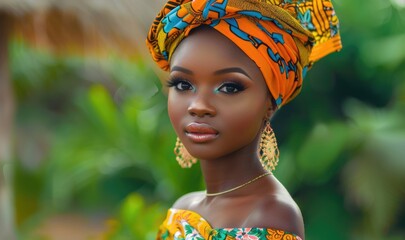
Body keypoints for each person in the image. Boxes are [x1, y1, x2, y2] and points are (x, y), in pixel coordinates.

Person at [146, 0, 341, 239]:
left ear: (270, 103)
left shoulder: (272, 215)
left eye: (229, 87)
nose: (198, 106)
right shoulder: (183, 208)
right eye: (183, 84)